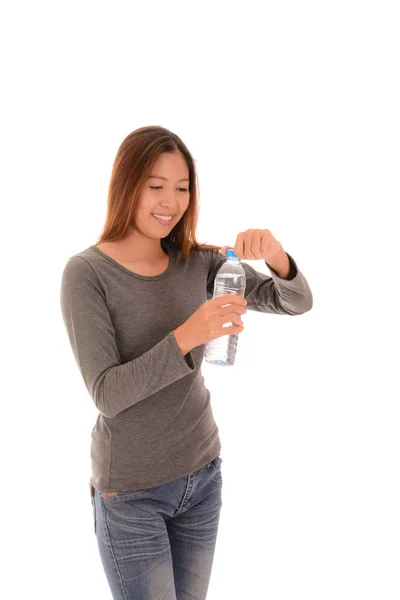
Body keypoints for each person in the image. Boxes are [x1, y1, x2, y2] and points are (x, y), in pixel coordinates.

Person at [60, 125, 313, 600]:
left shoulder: (200, 262)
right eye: (155, 185)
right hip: (130, 495)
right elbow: (108, 394)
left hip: (202, 474)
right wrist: (188, 335)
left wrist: (277, 257)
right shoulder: (86, 273)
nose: (170, 201)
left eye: (182, 188)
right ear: (126, 185)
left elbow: (296, 302)